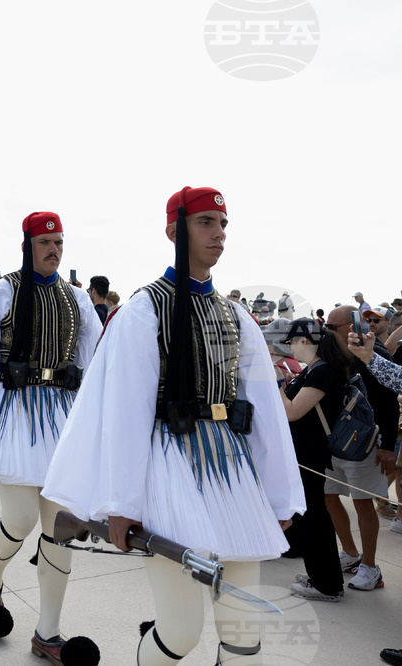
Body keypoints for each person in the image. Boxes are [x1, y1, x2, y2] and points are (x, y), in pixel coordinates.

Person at [43, 187, 304, 665]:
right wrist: (122, 504)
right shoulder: (144, 310)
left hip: (233, 476)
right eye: (205, 222)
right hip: (170, 469)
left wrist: (279, 495)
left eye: (223, 224)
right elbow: (126, 412)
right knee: (180, 633)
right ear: (174, 232)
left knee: (243, 635)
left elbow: (263, 409)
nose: (219, 234)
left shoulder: (236, 316)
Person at [0, 212, 99, 660]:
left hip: (61, 418)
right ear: (29, 245)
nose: (55, 249)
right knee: (23, 517)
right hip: (13, 416)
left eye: (60, 242)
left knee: (61, 529)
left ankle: (48, 633)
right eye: (47, 242)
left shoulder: (78, 301)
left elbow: (94, 365)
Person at [321, 305, 395, 591]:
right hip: (337, 441)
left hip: (367, 443)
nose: (327, 332)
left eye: (331, 327)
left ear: (350, 326)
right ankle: (351, 555)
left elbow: (390, 402)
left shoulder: (375, 355)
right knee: (328, 496)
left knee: (363, 502)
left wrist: (388, 446)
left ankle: (370, 567)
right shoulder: (336, 354)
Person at [277, 319, 348, 602]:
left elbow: (293, 411)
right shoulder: (316, 370)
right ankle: (322, 576)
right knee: (309, 516)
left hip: (309, 454)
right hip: (304, 452)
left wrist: (278, 386)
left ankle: (327, 584)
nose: (290, 346)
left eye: (292, 341)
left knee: (313, 517)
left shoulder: (322, 373)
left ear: (305, 340)